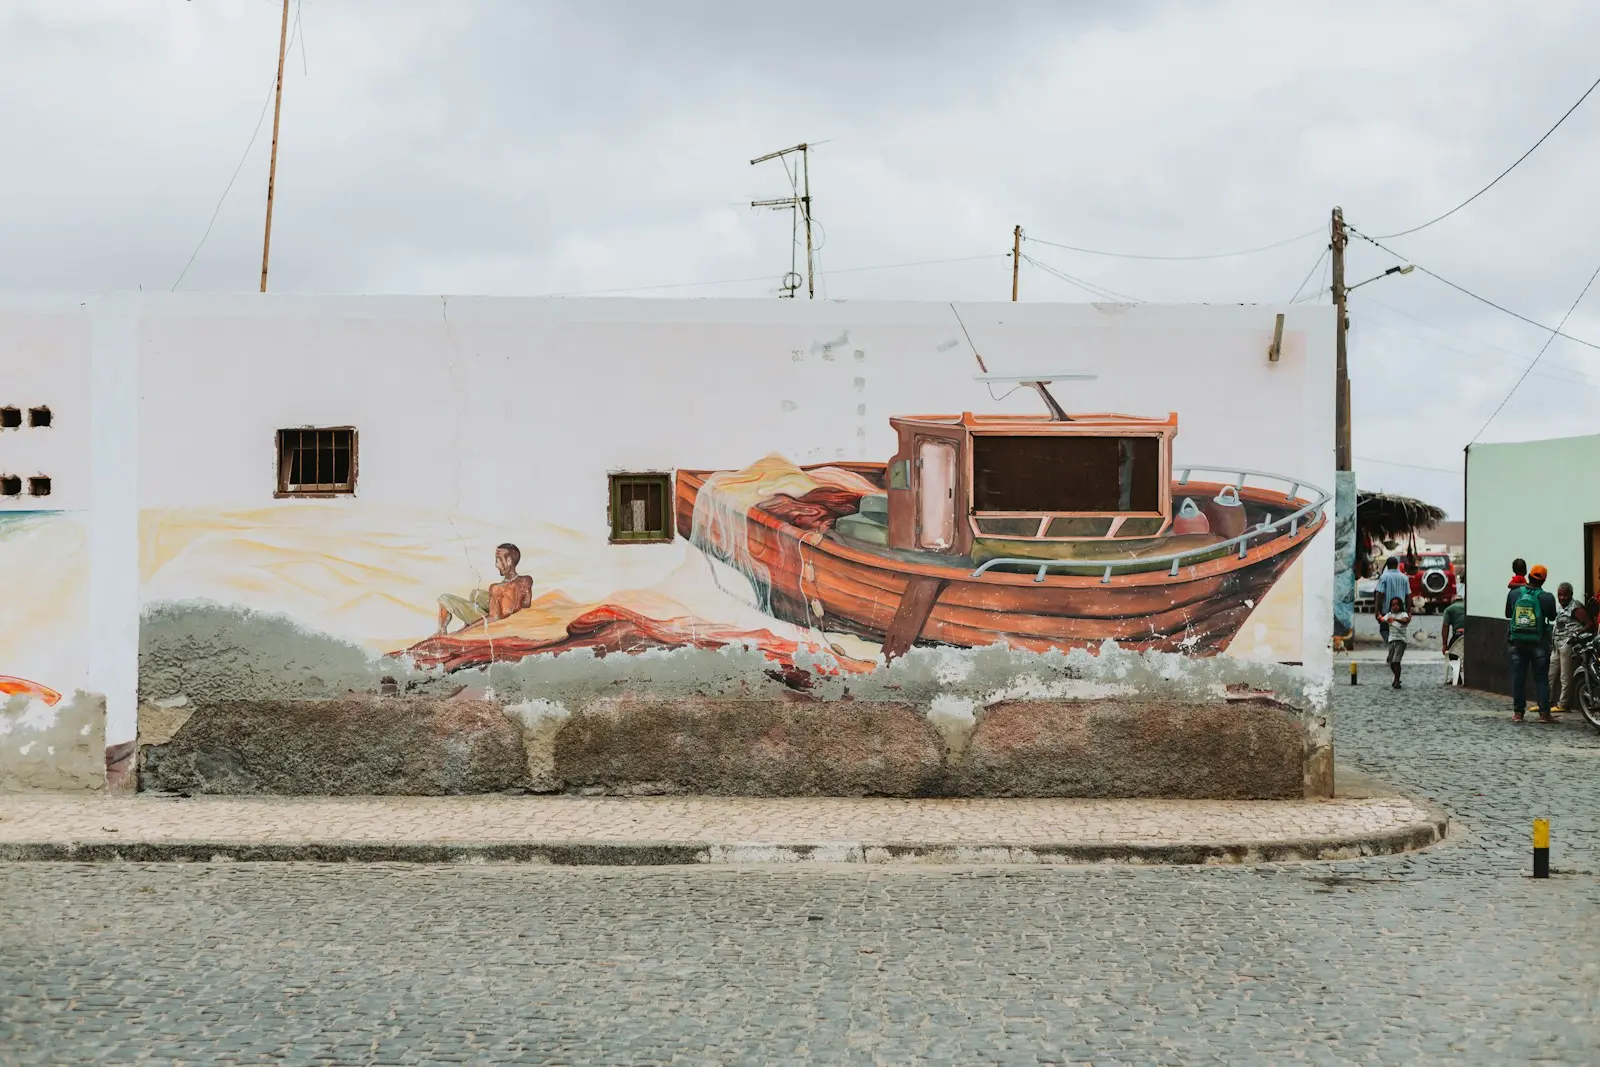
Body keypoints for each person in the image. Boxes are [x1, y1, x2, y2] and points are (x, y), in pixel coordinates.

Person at [436, 543, 534, 634]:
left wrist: (463, 632)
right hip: (506, 616)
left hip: (495, 623)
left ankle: (441, 632)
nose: (496, 565)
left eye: (498, 560)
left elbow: (493, 617)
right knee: (475, 594)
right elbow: (526, 604)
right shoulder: (527, 580)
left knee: (444, 598)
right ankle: (466, 624)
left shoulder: (497, 588)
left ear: (508, 561)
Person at [1505, 564, 1558, 723]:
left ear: (1528, 576)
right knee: (1541, 678)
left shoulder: (1514, 594)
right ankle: (1543, 714)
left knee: (1518, 677)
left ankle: (1518, 714)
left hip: (1517, 641)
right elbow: (1552, 616)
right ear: (1544, 580)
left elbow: (1508, 614)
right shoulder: (1547, 597)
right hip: (1539, 643)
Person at [1549, 581, 1582, 712]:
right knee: (1550, 674)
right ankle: (1546, 702)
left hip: (1568, 644)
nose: (1562, 598)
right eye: (1559, 595)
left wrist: (1577, 634)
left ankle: (1563, 704)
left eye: (1565, 595)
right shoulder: (1561, 607)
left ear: (1571, 595)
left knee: (1565, 676)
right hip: (1557, 644)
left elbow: (1589, 623)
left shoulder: (1576, 607)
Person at [1375, 556, 1411, 643]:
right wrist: (1408, 611)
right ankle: (1396, 643)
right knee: (1399, 629)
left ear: (1387, 565)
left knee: (1384, 630)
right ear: (1397, 565)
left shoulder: (1384, 577)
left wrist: (1377, 610)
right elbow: (1408, 595)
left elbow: (1380, 594)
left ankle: (1391, 643)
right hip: (1401, 610)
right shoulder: (1404, 578)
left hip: (1387, 609)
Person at [1377, 596, 1411, 688]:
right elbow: (1381, 620)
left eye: (1397, 605)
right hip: (1391, 640)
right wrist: (1379, 616)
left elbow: (1405, 621)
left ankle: (1396, 680)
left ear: (1400, 606)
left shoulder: (1403, 614)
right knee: (1390, 661)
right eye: (1393, 605)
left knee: (1396, 660)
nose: (1395, 607)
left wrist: (1395, 619)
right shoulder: (1389, 614)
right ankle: (1397, 677)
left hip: (1401, 640)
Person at [1440, 593, 1466, 686]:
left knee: (1452, 654)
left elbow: (1445, 627)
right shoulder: (1467, 606)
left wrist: (1444, 645)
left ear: (1452, 601)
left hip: (1458, 635)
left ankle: (1457, 677)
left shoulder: (1449, 609)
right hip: (1471, 635)